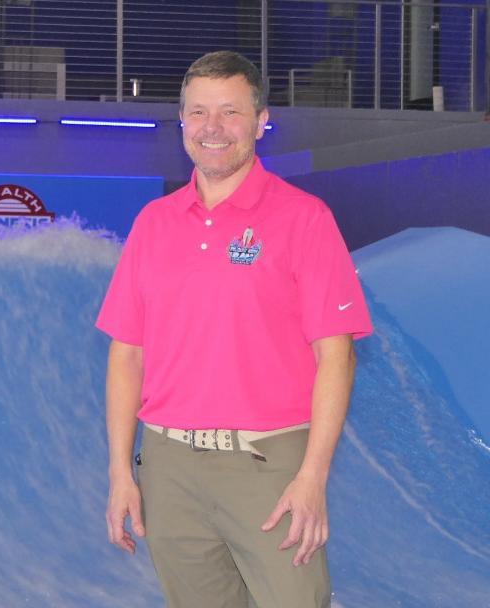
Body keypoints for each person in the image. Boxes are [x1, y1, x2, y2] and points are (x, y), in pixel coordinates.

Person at [96, 50, 373, 608]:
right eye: (197, 113)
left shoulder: (304, 218)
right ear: (181, 123)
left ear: (261, 120)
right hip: (170, 470)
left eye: (229, 112)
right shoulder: (153, 223)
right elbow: (127, 355)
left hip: (269, 468)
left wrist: (313, 476)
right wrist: (120, 472)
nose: (212, 128)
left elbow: (336, 356)